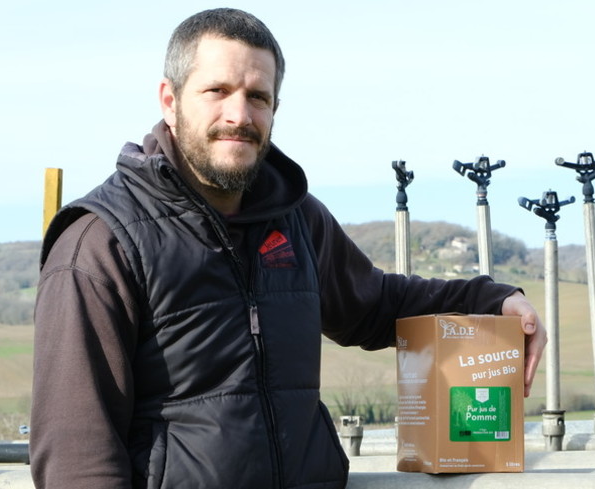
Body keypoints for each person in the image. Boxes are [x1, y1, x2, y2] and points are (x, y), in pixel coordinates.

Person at [30, 8, 547, 489]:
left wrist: (493, 302)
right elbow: (77, 454)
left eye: (258, 96)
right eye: (217, 90)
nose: (240, 114)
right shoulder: (101, 242)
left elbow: (375, 305)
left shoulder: (295, 217)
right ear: (170, 99)